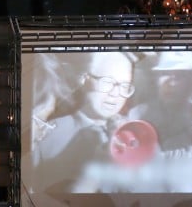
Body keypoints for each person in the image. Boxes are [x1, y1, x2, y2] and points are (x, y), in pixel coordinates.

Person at [31, 51, 140, 196]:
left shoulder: (133, 137)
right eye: (107, 82)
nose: (115, 94)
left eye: (125, 86)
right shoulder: (44, 132)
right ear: (84, 79)